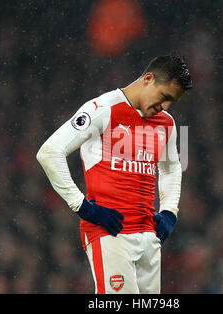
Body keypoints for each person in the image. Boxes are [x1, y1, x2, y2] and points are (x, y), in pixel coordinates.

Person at [36, 54, 192, 294]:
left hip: (149, 236)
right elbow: (49, 152)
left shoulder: (167, 124)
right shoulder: (102, 109)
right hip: (110, 233)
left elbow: (171, 167)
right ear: (148, 79)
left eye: (172, 101)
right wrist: (83, 207)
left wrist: (170, 211)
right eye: (164, 97)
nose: (166, 106)